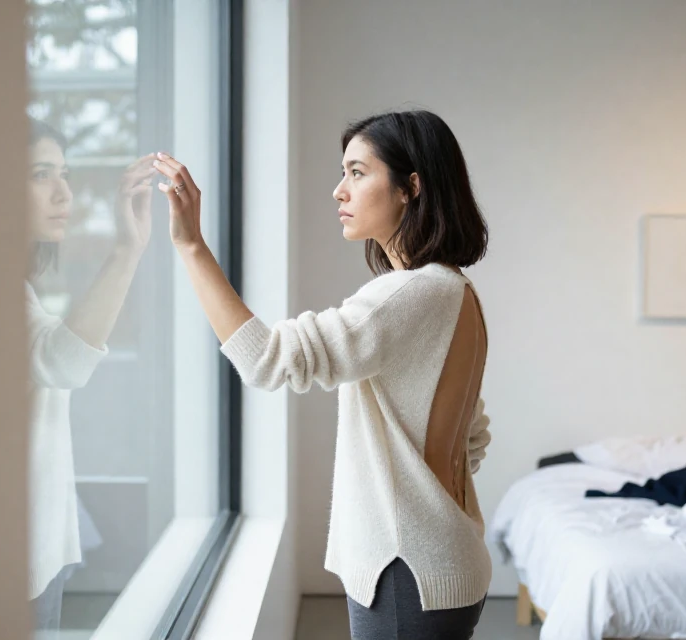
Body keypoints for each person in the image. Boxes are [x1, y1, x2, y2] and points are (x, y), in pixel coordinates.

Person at [156, 109, 493, 639]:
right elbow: (471, 438)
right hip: (443, 562)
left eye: (358, 173)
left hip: (405, 571)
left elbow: (268, 359)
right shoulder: (456, 291)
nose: (339, 190)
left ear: (411, 187)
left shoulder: (408, 293)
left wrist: (191, 247)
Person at [24, 118, 161, 636]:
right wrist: (127, 250)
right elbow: (61, 362)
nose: (63, 192)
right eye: (41, 174)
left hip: (41, 549)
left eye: (64, 173)